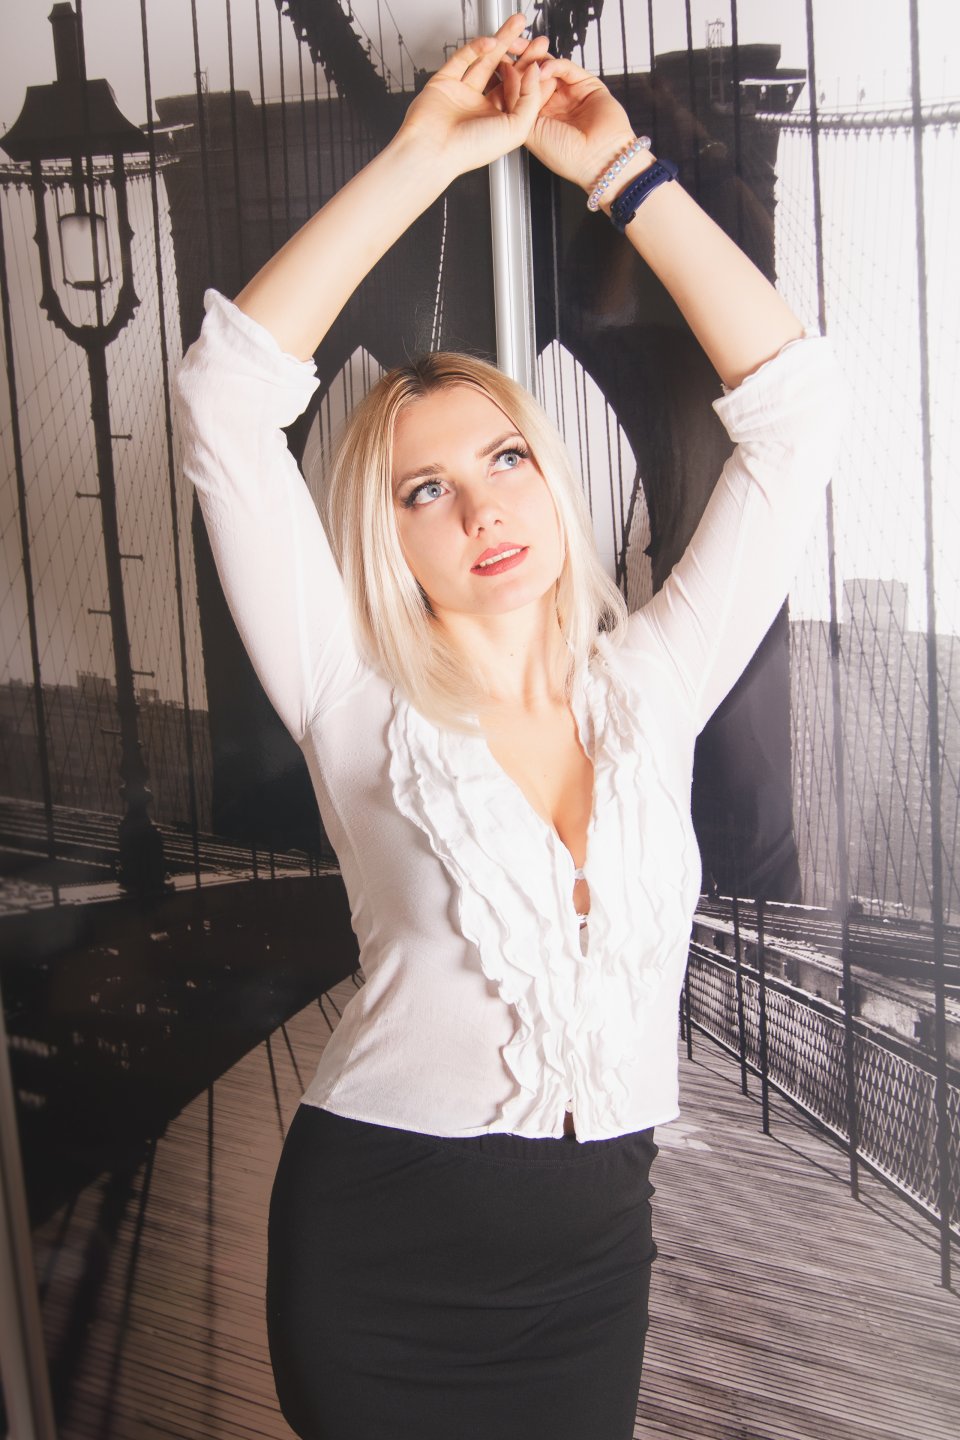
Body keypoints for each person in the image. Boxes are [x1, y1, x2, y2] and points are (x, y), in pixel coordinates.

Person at [175, 13, 841, 1440]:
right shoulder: (350, 696)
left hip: (593, 1258)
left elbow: (799, 419)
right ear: (389, 537)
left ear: (549, 476)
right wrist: (426, 155)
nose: (482, 507)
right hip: (380, 1248)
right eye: (425, 490)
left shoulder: (651, 688)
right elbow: (225, 399)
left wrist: (626, 178)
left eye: (505, 457)